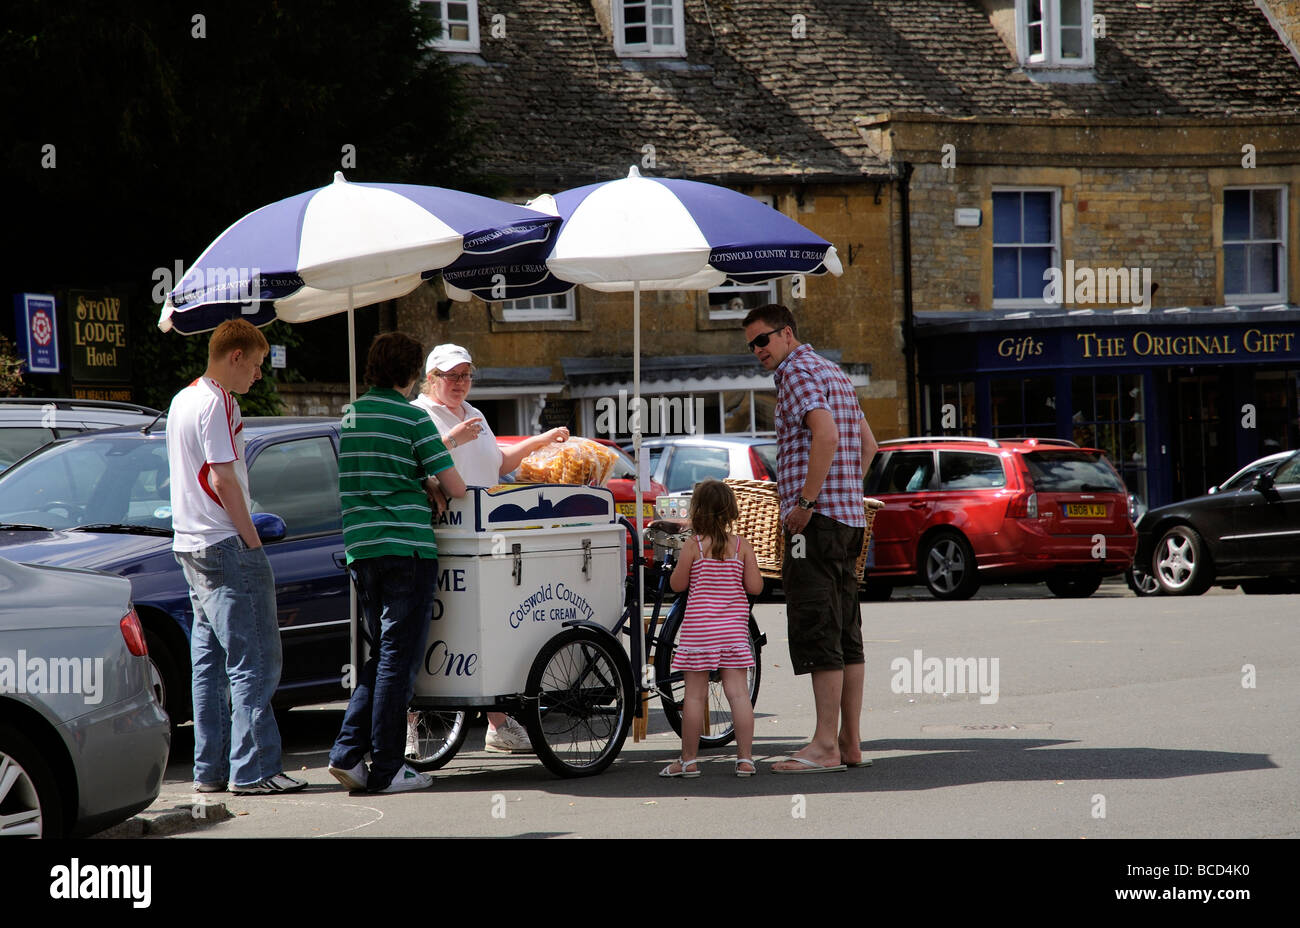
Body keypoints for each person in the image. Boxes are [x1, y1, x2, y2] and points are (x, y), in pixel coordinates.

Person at [168, 318, 306, 795]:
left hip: (190, 543)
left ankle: (210, 771)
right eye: (258, 364)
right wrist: (251, 539)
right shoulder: (219, 402)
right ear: (236, 356)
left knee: (207, 662)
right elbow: (224, 479)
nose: (258, 376)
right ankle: (255, 771)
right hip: (226, 543)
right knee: (256, 660)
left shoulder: (182, 399)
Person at [410, 343, 569, 754]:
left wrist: (541, 439)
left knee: (488, 626)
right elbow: (414, 464)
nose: (461, 383)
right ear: (432, 379)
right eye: (452, 376)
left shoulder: (476, 413)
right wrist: (452, 438)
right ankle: (410, 727)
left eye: (466, 375)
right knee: (437, 631)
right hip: (446, 534)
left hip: (486, 531)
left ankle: (497, 723)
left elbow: (497, 463)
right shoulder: (420, 413)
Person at [741, 304, 879, 774]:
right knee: (846, 632)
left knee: (818, 626)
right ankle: (849, 743)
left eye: (763, 340)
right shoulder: (833, 371)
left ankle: (824, 747)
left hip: (814, 525)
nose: (757, 351)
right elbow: (867, 445)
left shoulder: (797, 373)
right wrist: (843, 493)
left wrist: (806, 502)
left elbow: (824, 435)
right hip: (848, 521)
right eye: (751, 345)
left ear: (787, 333)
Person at [328, 332, 467, 793]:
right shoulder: (412, 417)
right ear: (411, 375)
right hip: (407, 548)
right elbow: (458, 486)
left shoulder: (350, 416)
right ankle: (387, 768)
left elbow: (370, 471)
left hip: (360, 548)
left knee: (384, 653)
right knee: (396, 659)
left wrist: (415, 475)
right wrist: (428, 479)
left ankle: (349, 754)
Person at [660, 479, 764, 778]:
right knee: (739, 695)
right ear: (731, 511)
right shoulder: (742, 546)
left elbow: (677, 585)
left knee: (694, 697)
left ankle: (689, 761)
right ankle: (745, 759)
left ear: (697, 511)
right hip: (733, 633)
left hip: (699, 633)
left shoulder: (694, 546)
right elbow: (755, 586)